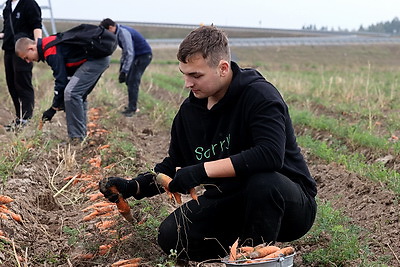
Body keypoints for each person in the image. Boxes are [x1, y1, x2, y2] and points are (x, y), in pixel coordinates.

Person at [100, 26, 317, 262]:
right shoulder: (190, 112)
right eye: (184, 74)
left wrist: (201, 171)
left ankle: (252, 260)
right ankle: (238, 249)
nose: (187, 83)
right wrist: (135, 187)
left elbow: (270, 155)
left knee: (263, 182)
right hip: (232, 202)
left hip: (288, 204)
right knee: (172, 235)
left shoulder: (259, 95)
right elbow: (175, 163)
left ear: (223, 68)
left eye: (196, 75)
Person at [14, 35, 110, 143]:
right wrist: (59, 103)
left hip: (96, 60)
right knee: (76, 94)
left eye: (26, 57)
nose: (28, 61)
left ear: (31, 48)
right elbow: (66, 75)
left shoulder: (50, 51)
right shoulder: (48, 45)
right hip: (96, 59)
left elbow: (61, 81)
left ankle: (77, 138)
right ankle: (80, 136)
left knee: (71, 93)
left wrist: (53, 108)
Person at [0, 0, 42, 131]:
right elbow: (7, 28)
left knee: (22, 84)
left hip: (24, 51)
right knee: (11, 84)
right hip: (9, 49)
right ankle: (19, 118)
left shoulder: (29, 4)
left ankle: (26, 119)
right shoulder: (7, 5)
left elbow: (36, 25)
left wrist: (39, 46)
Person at [100, 18, 152, 117]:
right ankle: (131, 106)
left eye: (106, 31)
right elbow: (124, 53)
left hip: (143, 56)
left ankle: (132, 109)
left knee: (133, 81)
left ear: (111, 27)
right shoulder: (118, 33)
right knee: (129, 81)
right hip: (137, 56)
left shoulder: (123, 33)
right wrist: (122, 69)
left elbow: (129, 52)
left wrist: (125, 71)